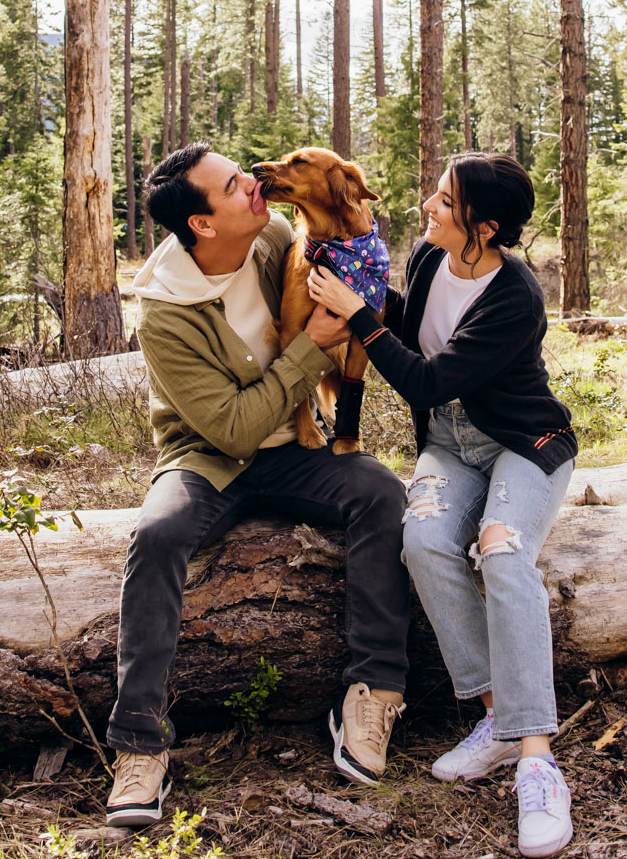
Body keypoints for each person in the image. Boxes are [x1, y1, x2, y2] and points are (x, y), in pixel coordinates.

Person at [104, 144, 412, 828]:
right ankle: (137, 744)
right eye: (234, 184)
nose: (254, 183)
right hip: (210, 457)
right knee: (156, 537)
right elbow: (233, 430)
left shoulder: (279, 233)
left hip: (298, 448)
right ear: (203, 224)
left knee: (383, 494)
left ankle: (375, 690)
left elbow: (349, 243)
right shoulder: (165, 310)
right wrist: (309, 350)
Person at [307, 152, 577, 859]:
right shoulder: (429, 259)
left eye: (446, 200)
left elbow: (426, 381)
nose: (429, 204)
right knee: (423, 540)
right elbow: (400, 323)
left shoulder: (515, 295)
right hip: (452, 447)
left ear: (483, 228)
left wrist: (359, 315)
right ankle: (494, 717)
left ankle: (537, 762)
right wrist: (351, 292)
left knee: (502, 550)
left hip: (523, 440)